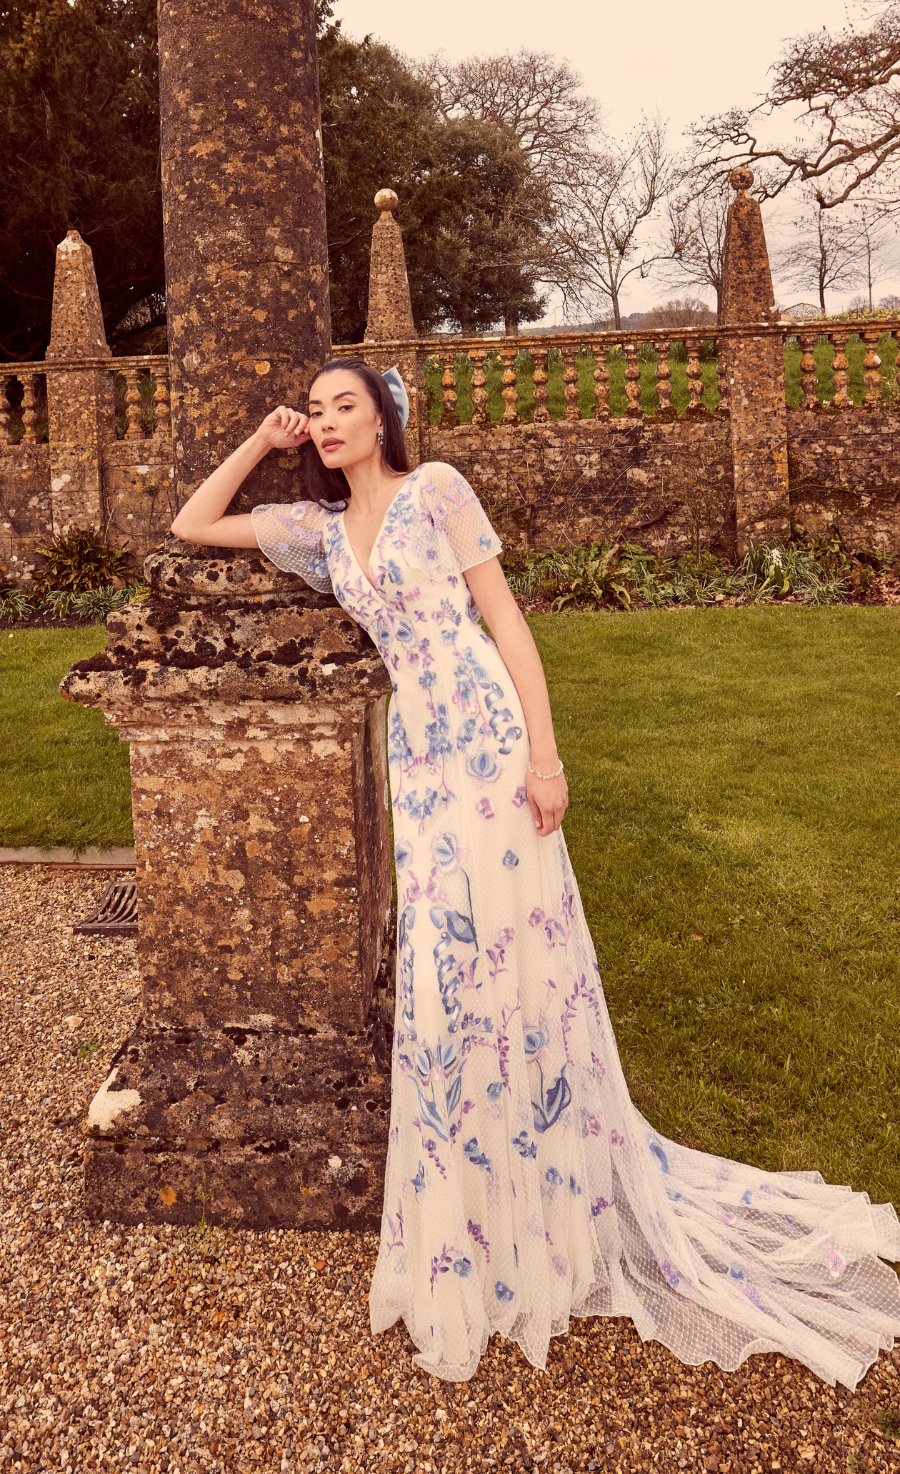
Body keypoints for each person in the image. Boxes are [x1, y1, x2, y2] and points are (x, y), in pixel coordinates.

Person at [171, 357, 900, 1387]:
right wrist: (262, 438)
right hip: (420, 761)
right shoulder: (320, 532)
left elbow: (505, 620)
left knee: (519, 953)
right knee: (443, 971)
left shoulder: (438, 489)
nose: (328, 423)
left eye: (345, 406)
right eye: (318, 412)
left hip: (489, 741)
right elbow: (193, 523)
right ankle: (473, 1199)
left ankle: (551, 1188)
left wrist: (546, 758)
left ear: (384, 419)